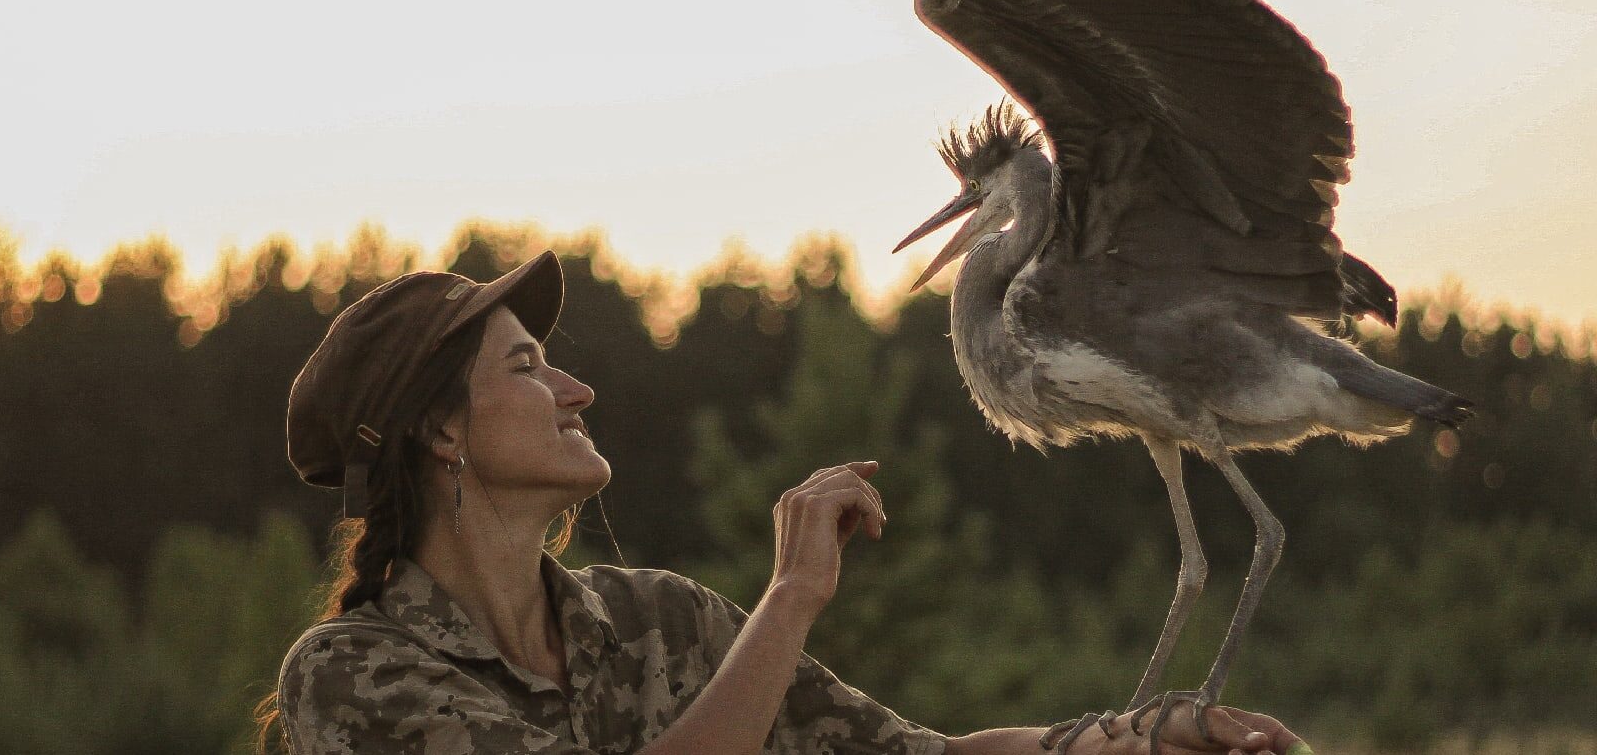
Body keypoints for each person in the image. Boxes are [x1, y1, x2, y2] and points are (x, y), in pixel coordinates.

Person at [258, 251, 1309, 755]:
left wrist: (1126, 741)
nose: (577, 389)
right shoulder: (351, 678)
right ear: (441, 431)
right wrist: (791, 598)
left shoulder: (657, 622)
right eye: (529, 367)